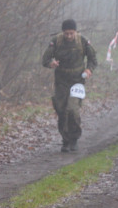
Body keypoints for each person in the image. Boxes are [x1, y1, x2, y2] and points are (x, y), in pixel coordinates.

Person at [41, 18, 97, 152]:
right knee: (61, 111)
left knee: (72, 110)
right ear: (63, 32)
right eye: (66, 33)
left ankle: (74, 138)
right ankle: (65, 140)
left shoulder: (83, 41)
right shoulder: (56, 41)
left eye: (71, 33)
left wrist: (89, 69)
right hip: (61, 80)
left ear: (76, 32)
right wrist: (51, 64)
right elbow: (45, 60)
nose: (69, 36)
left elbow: (93, 59)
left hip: (77, 80)